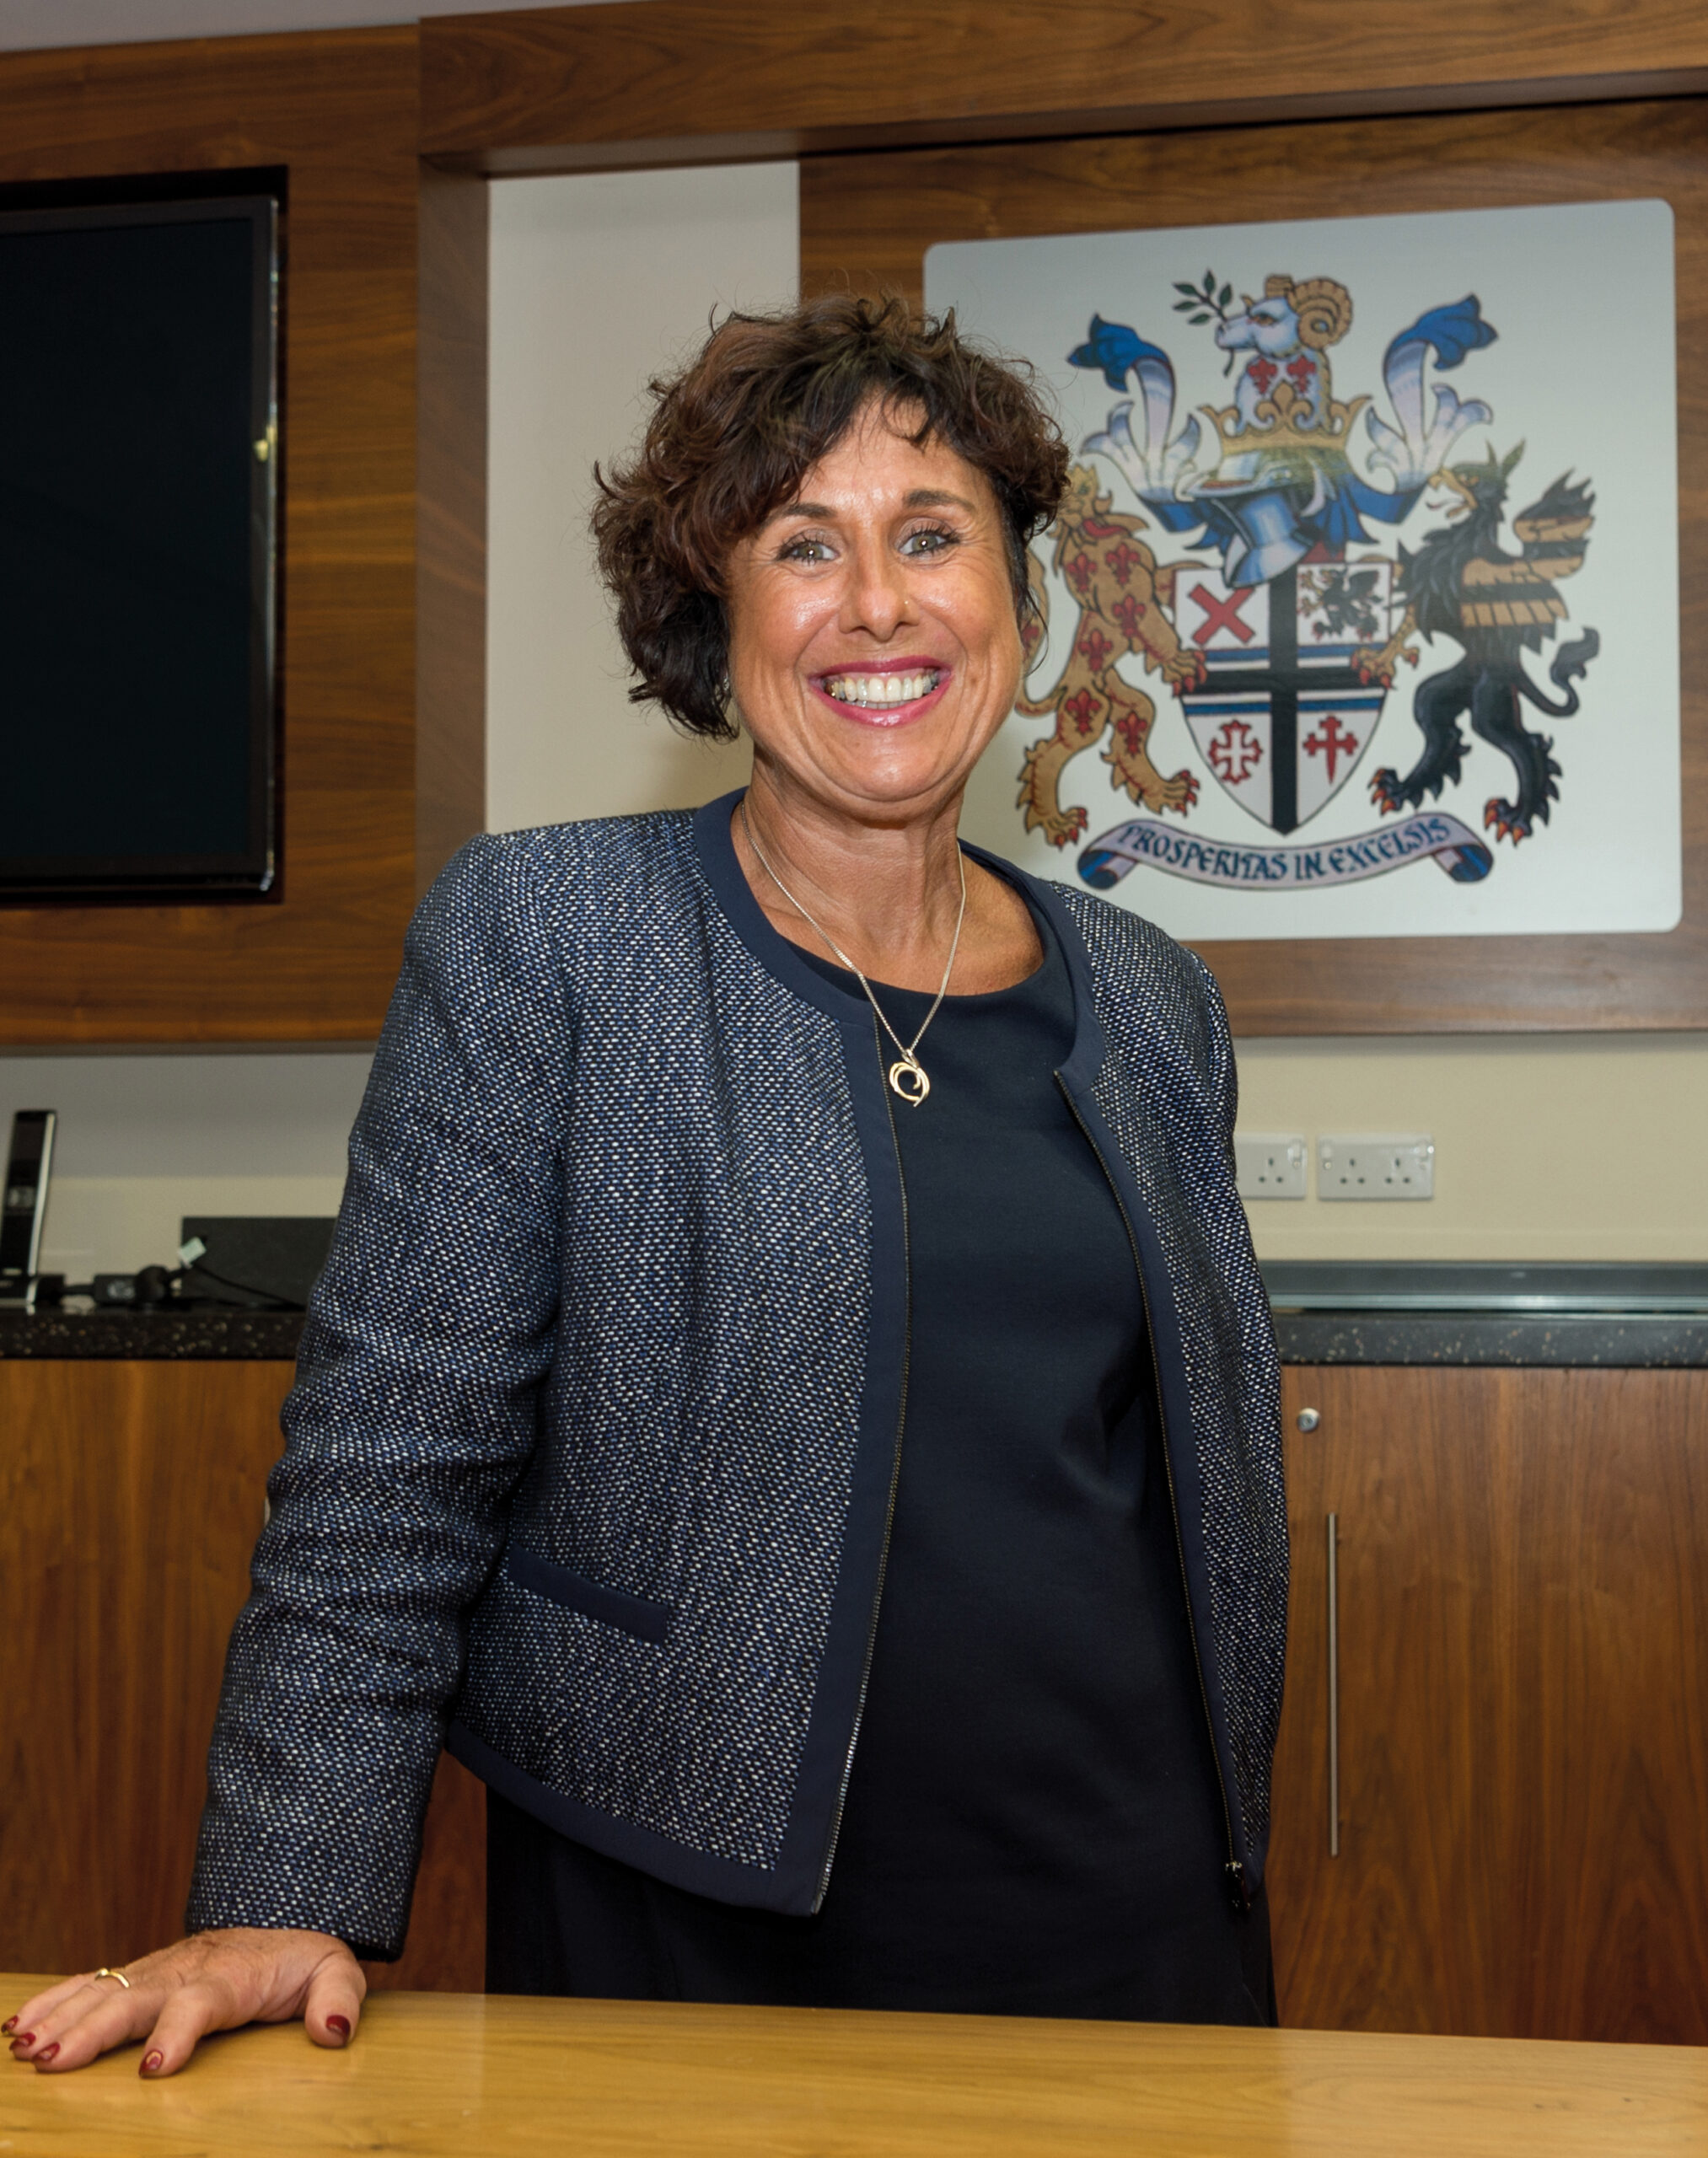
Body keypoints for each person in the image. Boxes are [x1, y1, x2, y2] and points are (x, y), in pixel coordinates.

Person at [8, 295, 1286, 2079]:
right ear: (714, 612)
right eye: (802, 546)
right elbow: (390, 1462)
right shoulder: (549, 935)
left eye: (932, 536)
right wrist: (287, 1887)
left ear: (1016, 598)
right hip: (691, 1917)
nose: (879, 603)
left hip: (1128, 1907)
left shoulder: (1152, 996)